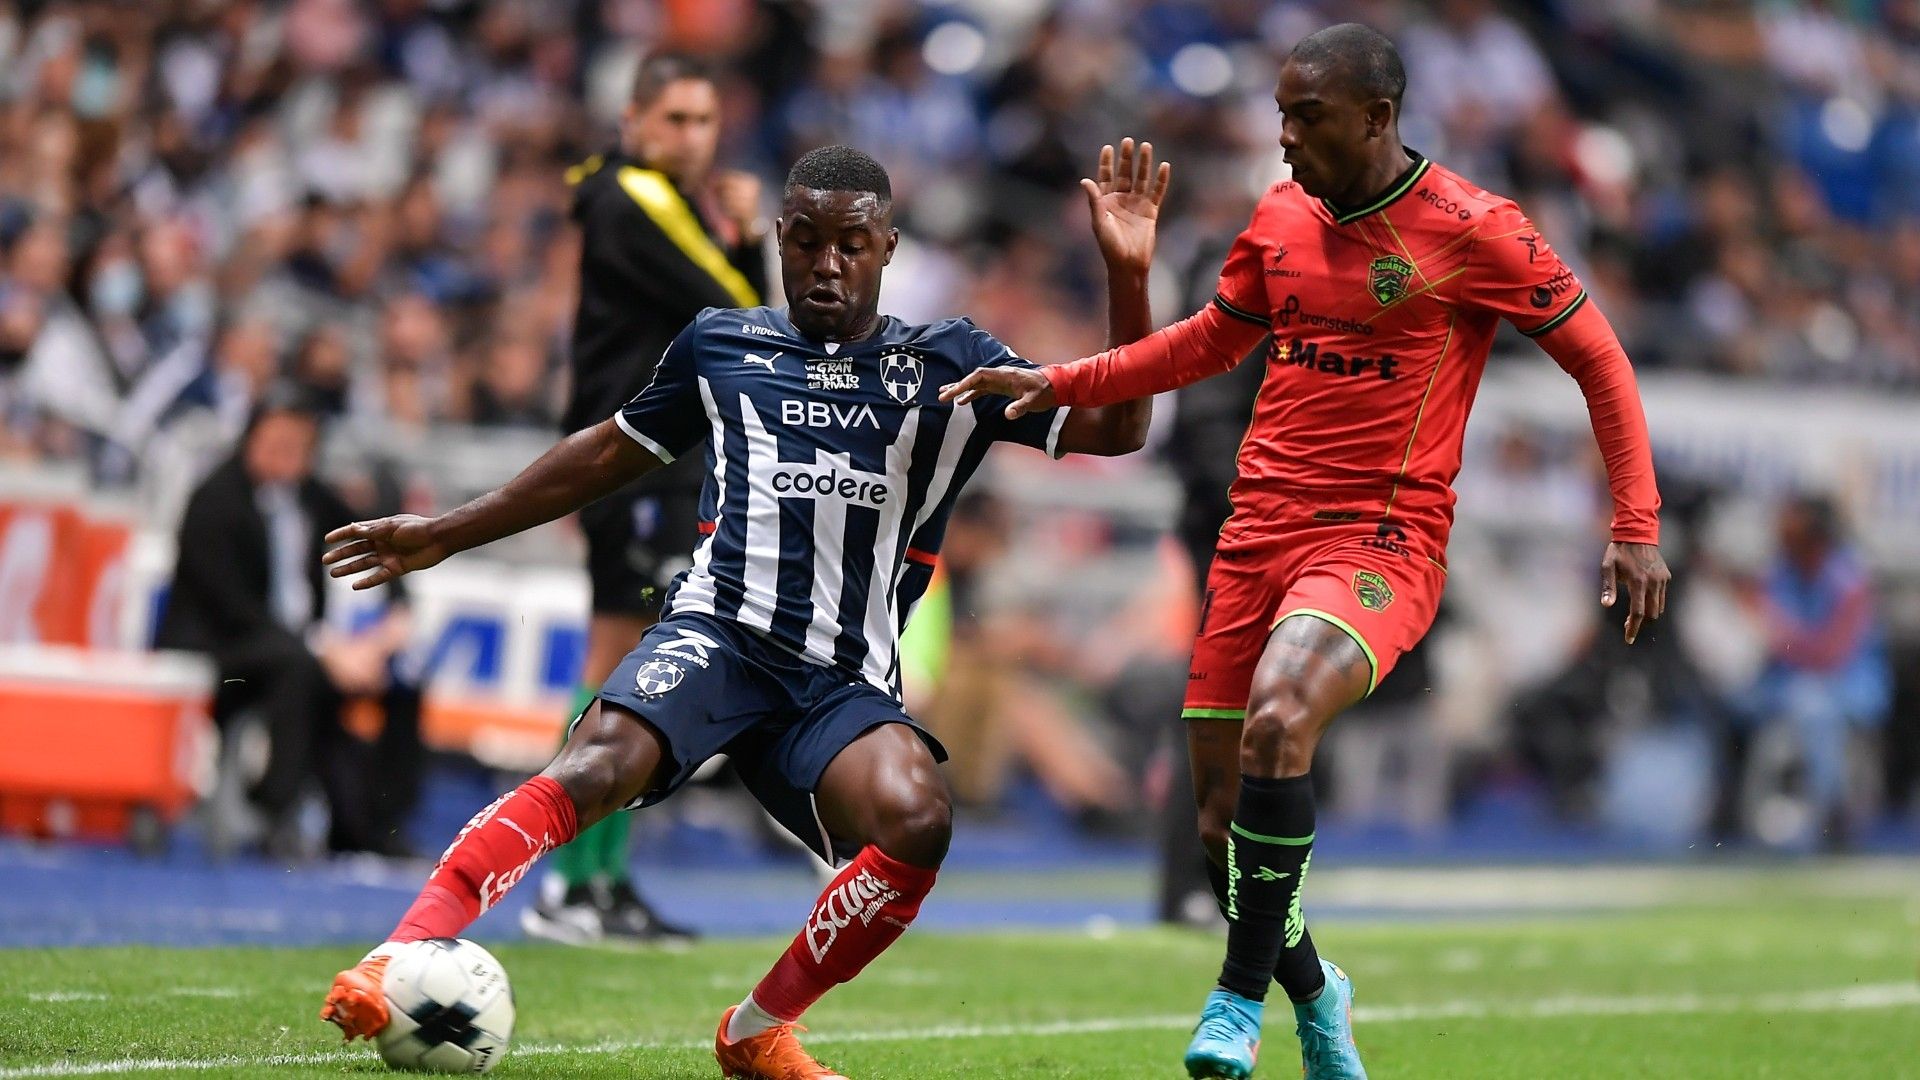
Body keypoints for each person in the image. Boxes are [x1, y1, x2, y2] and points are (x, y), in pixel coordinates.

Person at [318, 140, 1166, 1078]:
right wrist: (447, 533)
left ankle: (757, 1030)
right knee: (597, 762)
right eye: (805, 241)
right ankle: (395, 957)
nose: (826, 264)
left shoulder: (952, 364)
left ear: (887, 248)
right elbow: (606, 451)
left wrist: (1128, 276)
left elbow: (1120, 427)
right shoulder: (722, 343)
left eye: (851, 245)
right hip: (717, 638)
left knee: (918, 815)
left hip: (839, 684)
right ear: (779, 240)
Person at [941, 24, 1670, 1080]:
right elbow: (1210, 341)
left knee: (1282, 716)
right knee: (1217, 826)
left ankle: (1236, 1001)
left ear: (1377, 118)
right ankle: (1320, 997)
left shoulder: (1477, 229)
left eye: (1307, 117)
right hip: (1253, 539)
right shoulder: (1280, 216)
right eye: (1281, 114)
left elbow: (1601, 361)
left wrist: (1635, 525)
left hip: (1380, 539)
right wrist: (1061, 378)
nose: (1283, 137)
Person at [527, 52, 771, 946]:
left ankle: (600, 878)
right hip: (632, 462)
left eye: (705, 122)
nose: (692, 138)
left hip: (650, 463)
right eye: (675, 119)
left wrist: (736, 233)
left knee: (631, 669)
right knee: (621, 669)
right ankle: (568, 881)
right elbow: (741, 311)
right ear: (633, 120)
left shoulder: (655, 200)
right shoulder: (635, 195)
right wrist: (749, 239)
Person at [156, 382, 421, 858]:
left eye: (298, 445)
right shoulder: (214, 501)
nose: (286, 455)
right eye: (276, 442)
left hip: (297, 645)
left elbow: (376, 538)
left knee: (402, 678)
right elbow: (234, 608)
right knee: (298, 669)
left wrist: (394, 616)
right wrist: (325, 648)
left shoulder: (313, 497)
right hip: (222, 649)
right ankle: (272, 811)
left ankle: (378, 827)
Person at [1733, 494, 1891, 848]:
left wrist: (1777, 631)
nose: (1781, 536)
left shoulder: (1849, 579)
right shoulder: (1780, 571)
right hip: (1784, 684)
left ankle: (1830, 815)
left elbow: (1830, 654)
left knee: (1812, 707)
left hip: (1847, 686)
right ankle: (1731, 811)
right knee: (1732, 698)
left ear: (1816, 537)